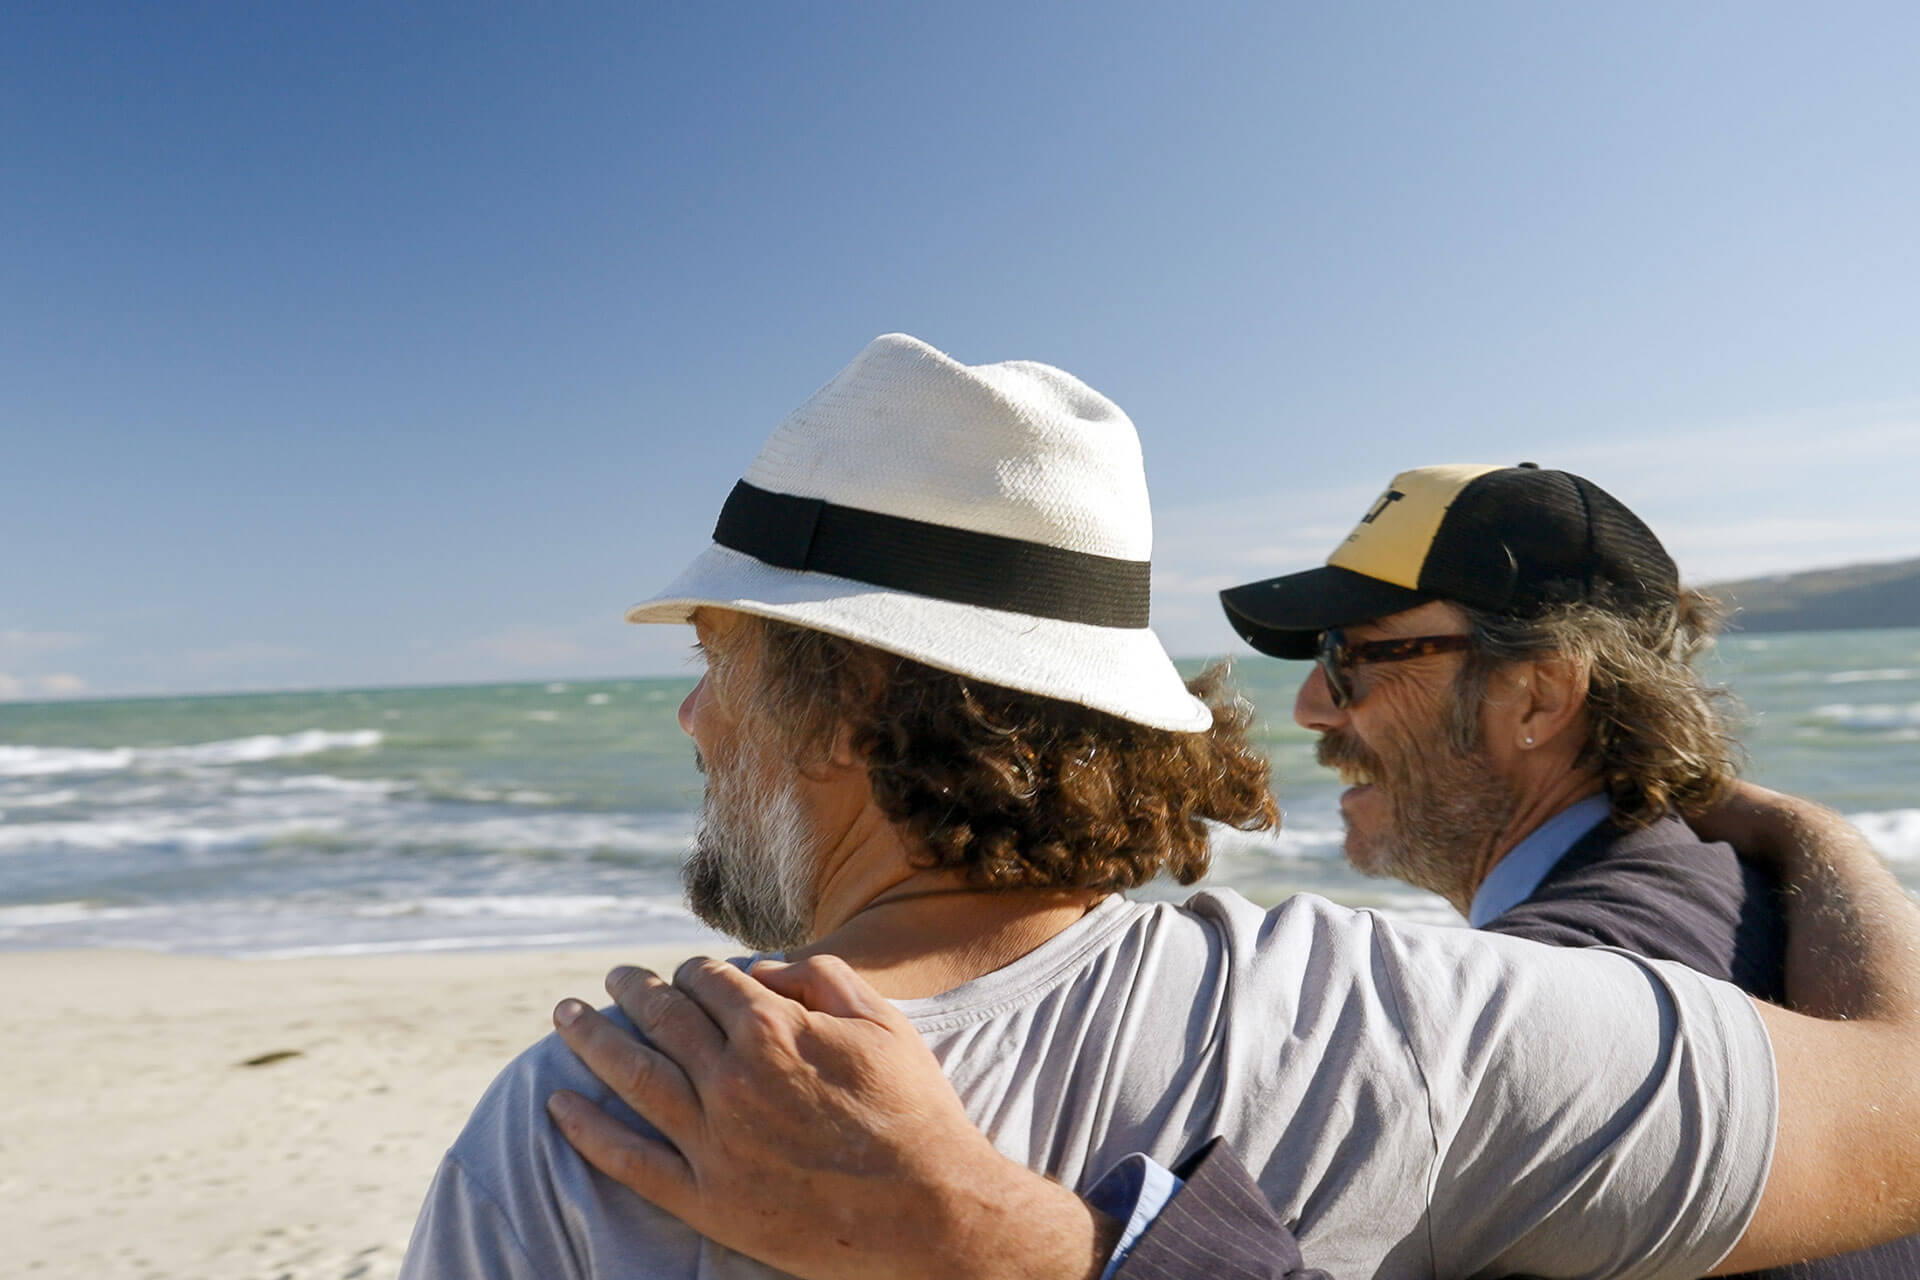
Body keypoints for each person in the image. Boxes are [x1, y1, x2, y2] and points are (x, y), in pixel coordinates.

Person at [399, 337, 1920, 1280]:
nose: (686, 715)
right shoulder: (1403, 1021)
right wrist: (1823, 834)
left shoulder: (601, 1115)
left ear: (847, 700)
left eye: (718, 657)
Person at [1218, 462, 1920, 1277]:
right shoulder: (1739, 896)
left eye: (1353, 656)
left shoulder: (1546, 1003)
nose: (1310, 704)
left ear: (1539, 698)